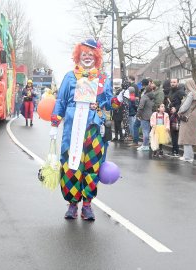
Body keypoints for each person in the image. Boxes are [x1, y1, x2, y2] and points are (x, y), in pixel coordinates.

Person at [49, 39, 113, 220]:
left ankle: (87, 206)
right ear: (78, 56)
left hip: (93, 129)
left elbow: (108, 103)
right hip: (72, 129)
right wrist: (55, 124)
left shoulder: (102, 79)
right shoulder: (70, 77)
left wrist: (114, 101)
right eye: (84, 54)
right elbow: (61, 101)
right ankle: (72, 205)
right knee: (71, 166)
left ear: (96, 58)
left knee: (92, 167)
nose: (87, 57)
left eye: (90, 55)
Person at [178, 78, 196, 163]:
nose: (186, 86)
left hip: (188, 118)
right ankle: (189, 156)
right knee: (190, 137)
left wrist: (179, 111)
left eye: (186, 84)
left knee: (186, 137)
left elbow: (185, 106)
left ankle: (187, 156)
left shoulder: (191, 94)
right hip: (193, 118)